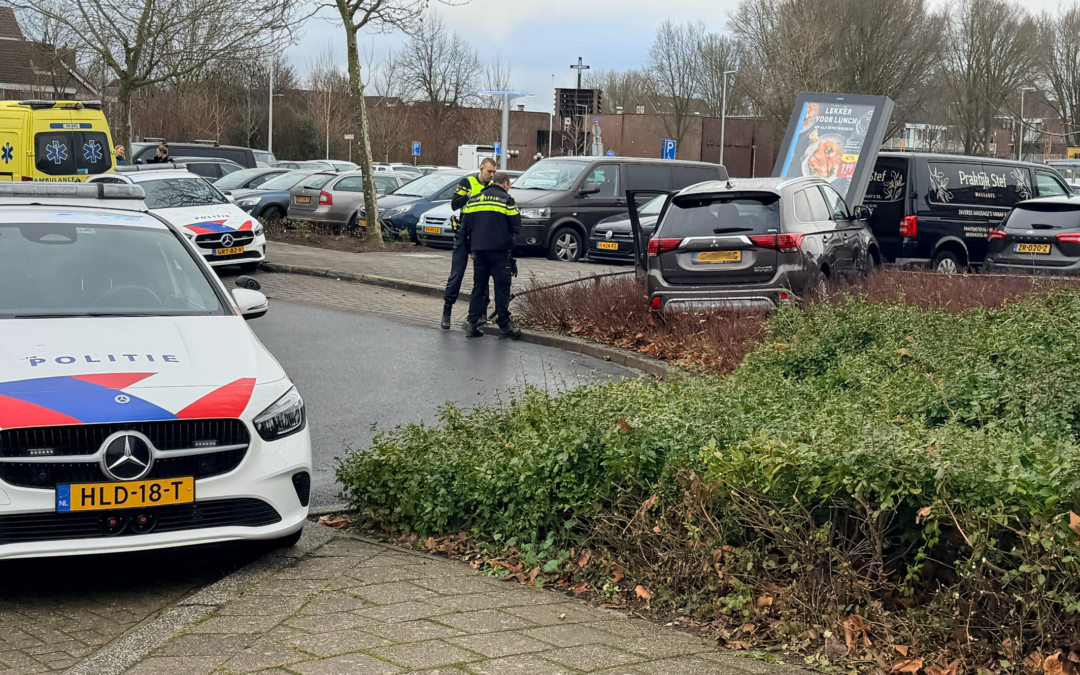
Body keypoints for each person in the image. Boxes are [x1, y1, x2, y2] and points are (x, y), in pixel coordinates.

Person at [460, 172, 521, 339]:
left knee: (479, 287)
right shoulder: (507, 200)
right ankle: (504, 327)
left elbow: (465, 227)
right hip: (500, 251)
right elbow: (516, 225)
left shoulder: (474, 199)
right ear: (506, 184)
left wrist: (470, 249)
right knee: (502, 288)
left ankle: (472, 325)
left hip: (479, 251)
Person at [441, 157, 497, 330]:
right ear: (481, 168)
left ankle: (481, 314)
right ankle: (447, 310)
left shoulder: (493, 186)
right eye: (489, 172)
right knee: (457, 274)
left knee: (482, 276)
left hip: (481, 235)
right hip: (465, 232)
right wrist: (467, 196)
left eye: (494, 172)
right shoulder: (468, 182)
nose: (491, 175)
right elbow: (454, 204)